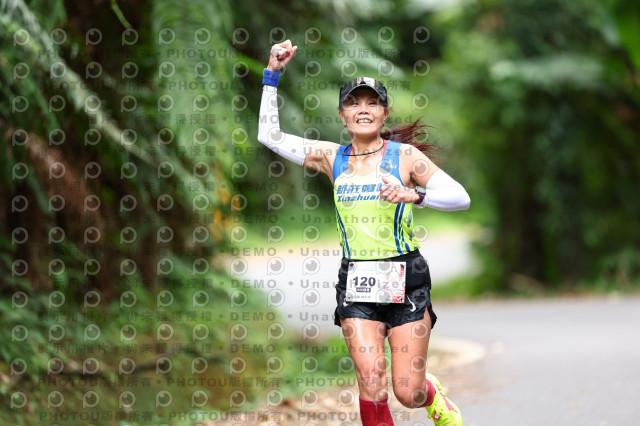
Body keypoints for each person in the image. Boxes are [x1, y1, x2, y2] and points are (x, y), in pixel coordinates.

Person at [257, 39, 470, 426]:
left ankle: (430, 394)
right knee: (371, 381)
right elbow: (270, 136)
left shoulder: (405, 157)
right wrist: (272, 75)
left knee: (407, 391)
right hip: (356, 278)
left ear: (384, 113)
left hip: (406, 276)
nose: (363, 109)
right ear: (343, 116)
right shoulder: (331, 157)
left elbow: (460, 198)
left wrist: (415, 195)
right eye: (354, 103)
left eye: (373, 103)